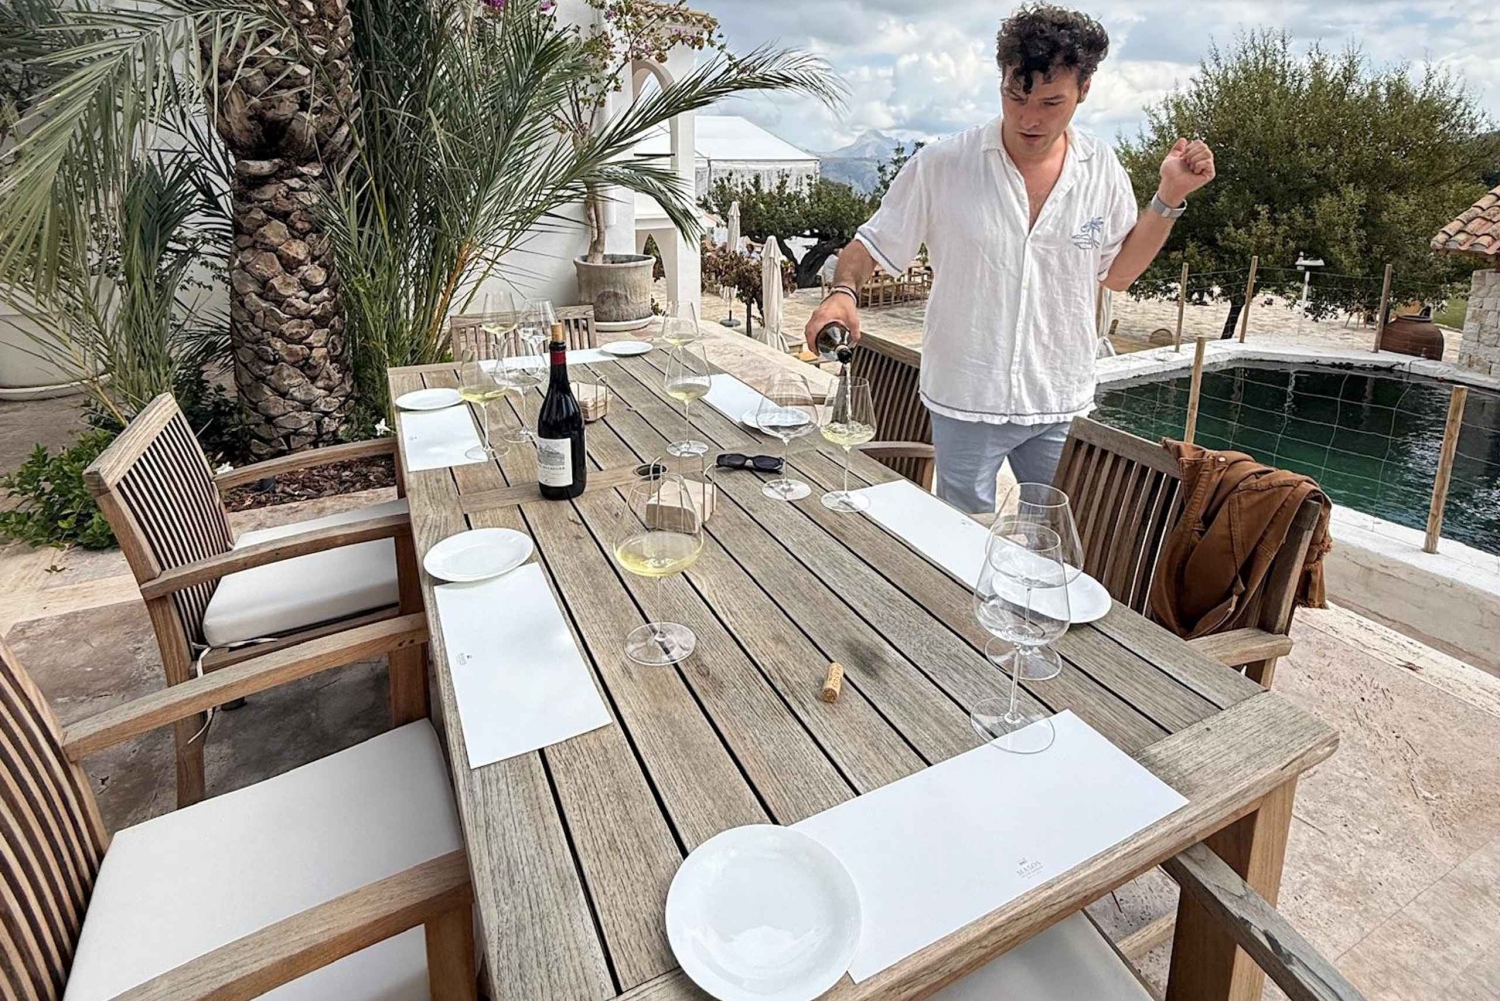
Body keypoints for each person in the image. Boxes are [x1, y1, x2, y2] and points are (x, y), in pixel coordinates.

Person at [804, 4, 1216, 514]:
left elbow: (1119, 274)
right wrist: (843, 293)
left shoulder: (1102, 169)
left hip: (1060, 397)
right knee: (960, 534)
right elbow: (871, 243)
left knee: (1053, 538)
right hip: (965, 396)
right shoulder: (942, 165)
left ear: (1084, 90)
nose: (1029, 118)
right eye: (1015, 97)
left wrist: (1169, 196)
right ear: (1001, 80)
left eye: (1050, 102)